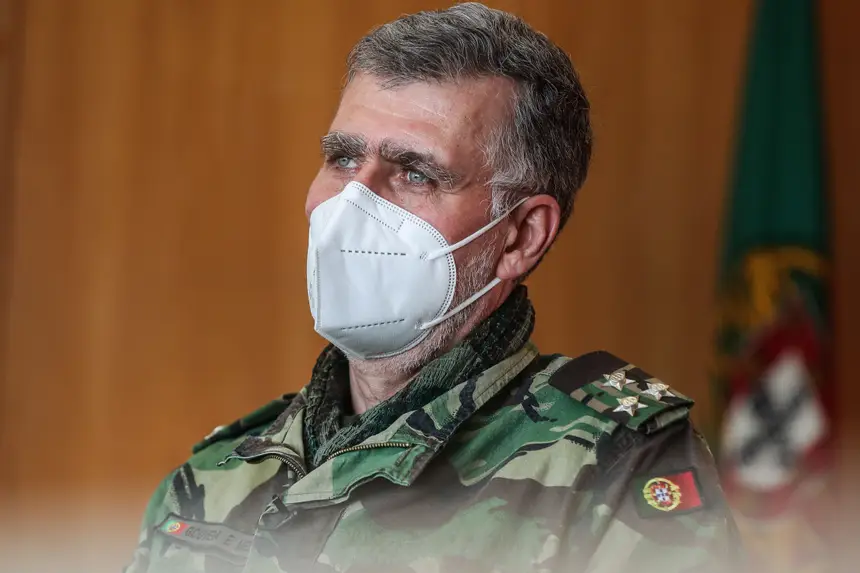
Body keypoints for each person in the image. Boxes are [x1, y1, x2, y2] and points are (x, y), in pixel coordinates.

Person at [125, 3, 743, 572]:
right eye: (343, 159)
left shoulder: (611, 469)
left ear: (521, 235)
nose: (351, 203)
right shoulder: (213, 477)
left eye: (415, 173)